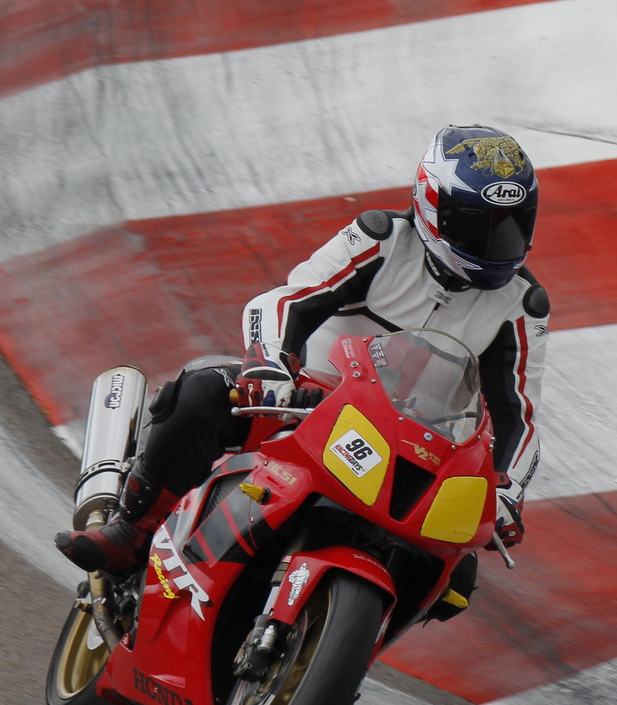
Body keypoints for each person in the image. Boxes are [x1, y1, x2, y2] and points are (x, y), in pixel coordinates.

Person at [54, 125, 549, 590]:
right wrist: (269, 361)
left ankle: (350, 637)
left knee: (455, 572)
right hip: (310, 404)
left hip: (412, 447)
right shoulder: (381, 239)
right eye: (479, 227)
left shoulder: (522, 305)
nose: (496, 245)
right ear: (431, 206)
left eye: (511, 226)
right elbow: (288, 299)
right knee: (203, 391)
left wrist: (506, 491)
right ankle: (130, 533)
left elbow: (519, 416)